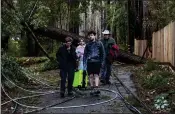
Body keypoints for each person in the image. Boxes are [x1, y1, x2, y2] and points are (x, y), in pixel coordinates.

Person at [83, 31, 105, 95]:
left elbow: (103, 53)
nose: (90, 36)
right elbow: (85, 55)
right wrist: (84, 64)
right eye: (89, 35)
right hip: (89, 62)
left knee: (96, 75)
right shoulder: (87, 45)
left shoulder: (99, 43)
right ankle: (92, 88)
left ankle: (96, 88)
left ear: (95, 36)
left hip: (97, 61)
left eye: (92, 35)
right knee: (90, 76)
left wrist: (102, 62)